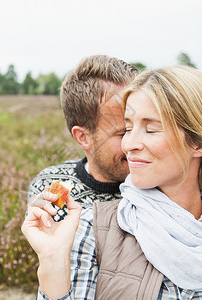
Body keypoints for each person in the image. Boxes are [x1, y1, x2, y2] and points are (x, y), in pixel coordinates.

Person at [22, 66, 202, 299]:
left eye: (150, 129)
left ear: (199, 142)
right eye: (127, 129)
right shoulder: (89, 229)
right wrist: (53, 259)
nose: (130, 144)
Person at [27, 55, 139, 222]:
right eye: (124, 132)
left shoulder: (165, 183)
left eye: (149, 129)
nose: (139, 143)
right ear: (83, 137)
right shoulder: (50, 188)